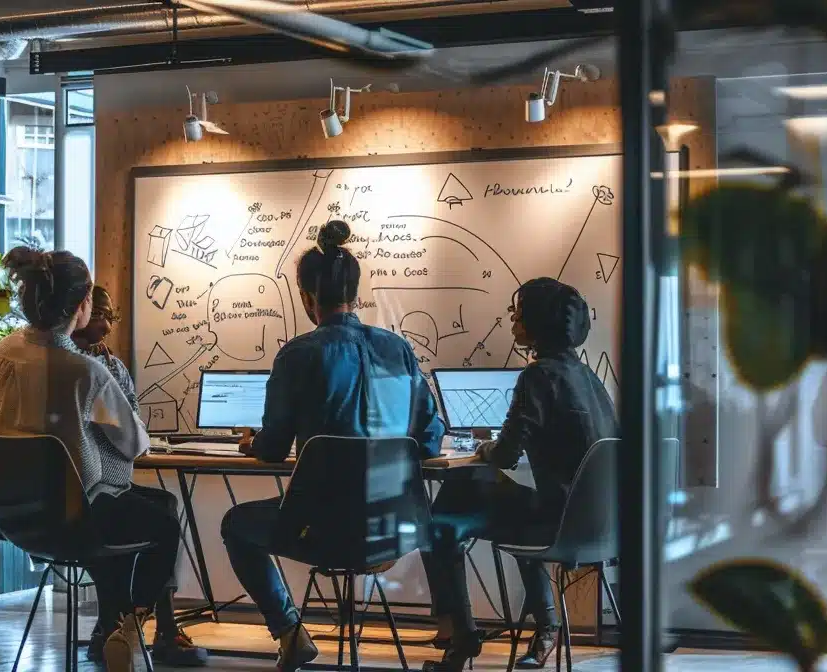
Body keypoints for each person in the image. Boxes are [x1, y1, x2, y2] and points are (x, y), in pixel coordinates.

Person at [223, 220, 445, 671]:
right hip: (393, 528)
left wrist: (251, 444)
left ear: (307, 298)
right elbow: (429, 436)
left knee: (235, 523)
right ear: (357, 295)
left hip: (320, 529)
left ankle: (289, 631)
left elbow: (272, 449)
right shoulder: (399, 350)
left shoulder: (297, 354)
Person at [0, 247, 207, 670]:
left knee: (128, 513)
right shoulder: (85, 371)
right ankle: (129, 625)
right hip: (75, 519)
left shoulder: (2, 356)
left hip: (14, 519)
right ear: (83, 305)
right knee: (161, 520)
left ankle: (115, 628)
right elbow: (135, 444)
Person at [418, 277, 618, 671]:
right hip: (602, 524)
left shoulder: (537, 376)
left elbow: (506, 455)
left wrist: (482, 447)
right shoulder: (589, 378)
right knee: (476, 488)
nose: (512, 317)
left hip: (557, 524)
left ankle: (460, 635)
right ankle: (543, 626)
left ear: (538, 321)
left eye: (519, 310)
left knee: (440, 521)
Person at [70, 285, 135, 410]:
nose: (107, 326)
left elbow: (132, 415)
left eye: (110, 317)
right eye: (98, 313)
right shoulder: (54, 359)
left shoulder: (114, 366)